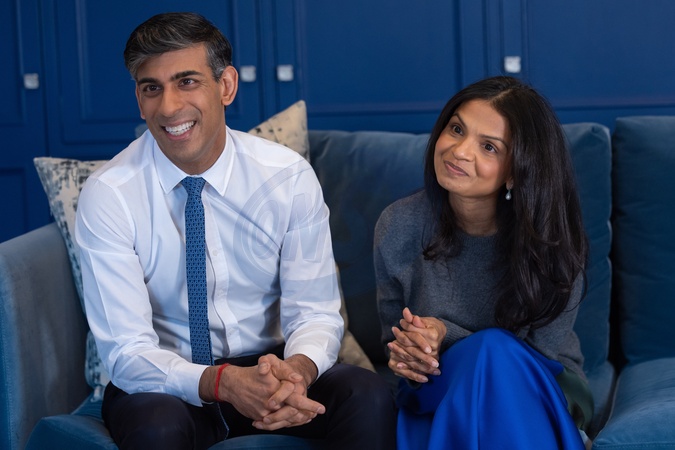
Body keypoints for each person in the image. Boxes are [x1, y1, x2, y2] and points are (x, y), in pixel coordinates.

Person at [75, 12, 395, 450]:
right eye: (152, 88)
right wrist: (222, 382)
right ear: (139, 98)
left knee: (368, 395)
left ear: (226, 85)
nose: (168, 107)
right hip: (169, 382)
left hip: (272, 369)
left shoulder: (286, 177)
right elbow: (127, 351)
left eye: (187, 81)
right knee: (157, 427)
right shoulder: (110, 193)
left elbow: (315, 313)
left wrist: (297, 374)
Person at [374, 76, 593, 449]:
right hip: (439, 384)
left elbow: (535, 356)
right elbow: (393, 341)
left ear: (517, 170)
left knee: (493, 350)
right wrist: (410, 355)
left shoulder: (551, 240)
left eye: (489, 147)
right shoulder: (398, 225)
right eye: (457, 129)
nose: (459, 151)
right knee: (484, 355)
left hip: (542, 384)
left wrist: (445, 333)